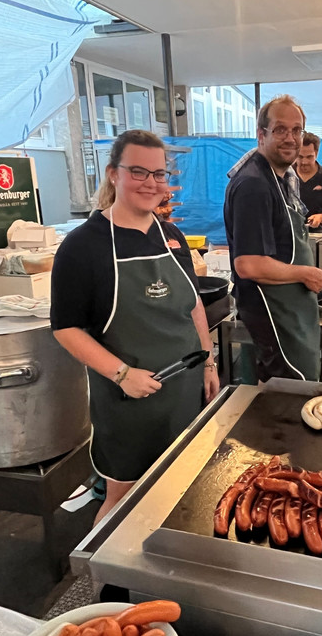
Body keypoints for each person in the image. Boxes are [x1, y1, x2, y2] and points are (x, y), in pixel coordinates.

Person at [51, 130, 220, 524]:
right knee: (124, 499)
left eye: (159, 174)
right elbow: (66, 328)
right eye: (139, 172)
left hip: (184, 392)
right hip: (129, 402)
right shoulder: (83, 246)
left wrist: (209, 363)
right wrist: (122, 374)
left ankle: (160, 579)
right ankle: (106, 585)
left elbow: (192, 304)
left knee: (178, 487)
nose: (151, 183)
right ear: (113, 173)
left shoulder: (172, 236)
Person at [223, 95, 322, 382]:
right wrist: (305, 273)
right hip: (273, 313)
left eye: (297, 130)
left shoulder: (278, 178)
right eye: (280, 129)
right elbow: (249, 265)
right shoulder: (254, 185)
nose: (291, 138)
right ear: (262, 134)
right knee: (289, 398)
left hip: (289, 310)